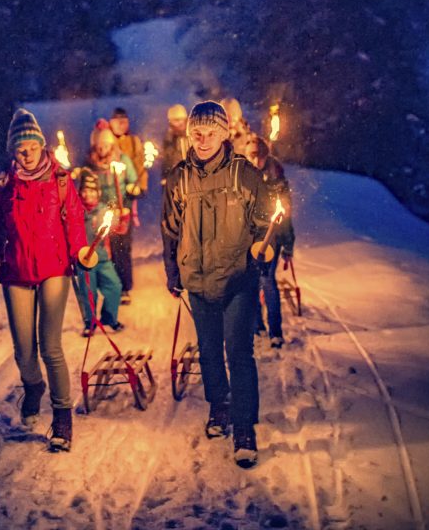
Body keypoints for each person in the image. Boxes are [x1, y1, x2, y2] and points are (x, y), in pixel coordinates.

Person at [162, 101, 277, 468]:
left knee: (238, 352)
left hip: (237, 278)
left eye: (211, 132)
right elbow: (170, 231)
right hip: (197, 279)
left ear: (224, 134)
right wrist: (173, 272)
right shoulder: (180, 178)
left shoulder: (244, 174)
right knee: (209, 350)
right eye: (197, 133)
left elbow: (264, 223)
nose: (203, 139)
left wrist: (264, 248)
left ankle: (244, 427)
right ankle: (219, 405)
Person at [0, 108, 86, 453]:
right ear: (13, 151)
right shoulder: (2, 186)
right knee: (24, 351)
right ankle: (33, 385)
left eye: (32, 147)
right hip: (16, 271)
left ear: (42, 145)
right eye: (20, 149)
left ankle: (62, 417)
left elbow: (75, 221)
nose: (27, 154)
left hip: (55, 268)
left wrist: (81, 252)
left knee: (50, 347)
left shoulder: (60, 179)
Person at [245, 135, 295, 348]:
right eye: (252, 156)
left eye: (260, 156)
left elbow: (286, 213)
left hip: (271, 237)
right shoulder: (242, 176)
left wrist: (288, 245)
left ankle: (275, 331)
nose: (256, 160)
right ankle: (257, 325)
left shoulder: (276, 177)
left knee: (267, 280)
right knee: (252, 281)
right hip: (250, 238)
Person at [89, 123, 138, 303]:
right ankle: (108, 286)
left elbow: (132, 179)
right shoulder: (92, 163)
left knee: (121, 249)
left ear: (111, 145)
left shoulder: (122, 159)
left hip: (120, 208)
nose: (102, 149)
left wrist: (132, 188)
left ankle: (124, 287)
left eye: (105, 145)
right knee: (102, 250)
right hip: (101, 211)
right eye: (99, 145)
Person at [74, 167, 124, 336]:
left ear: (98, 192)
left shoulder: (104, 210)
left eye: (92, 191)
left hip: (102, 257)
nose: (88, 194)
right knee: (89, 291)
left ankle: (109, 318)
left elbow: (117, 228)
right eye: (84, 191)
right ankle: (90, 322)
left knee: (114, 286)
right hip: (84, 259)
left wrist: (122, 219)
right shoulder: (76, 211)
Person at [108, 107, 147, 304]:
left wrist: (139, 186)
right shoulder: (106, 142)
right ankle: (110, 284)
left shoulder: (132, 142)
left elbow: (139, 165)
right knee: (109, 246)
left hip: (126, 196)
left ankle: (124, 285)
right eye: (117, 121)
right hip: (107, 201)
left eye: (124, 121)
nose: (121, 125)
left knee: (122, 244)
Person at [161, 103, 189, 185]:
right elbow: (167, 160)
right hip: (177, 179)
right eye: (176, 120)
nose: (180, 123)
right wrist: (166, 177)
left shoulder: (193, 135)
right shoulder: (169, 139)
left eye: (182, 119)